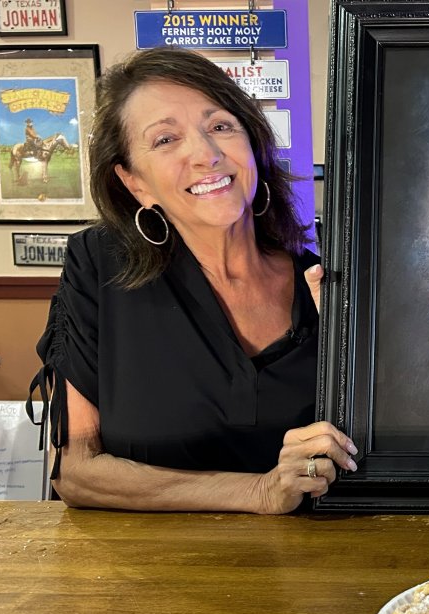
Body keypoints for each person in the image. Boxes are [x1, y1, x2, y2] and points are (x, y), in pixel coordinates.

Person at [29, 48, 356, 513]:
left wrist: (353, 344)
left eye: (221, 126)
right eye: (165, 140)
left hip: (319, 566)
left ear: (254, 146)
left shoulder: (326, 278)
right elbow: (76, 471)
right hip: (147, 573)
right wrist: (260, 491)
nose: (206, 154)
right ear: (133, 181)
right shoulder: (97, 266)